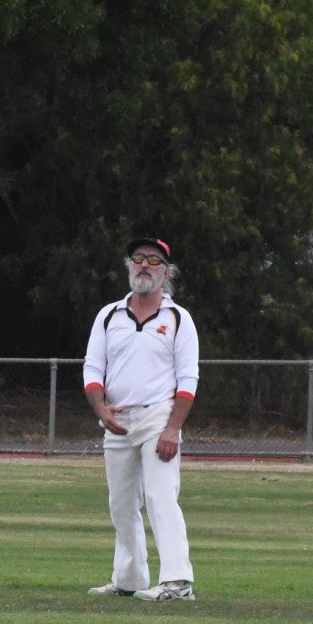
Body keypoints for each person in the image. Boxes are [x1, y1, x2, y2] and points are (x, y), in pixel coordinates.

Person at [81, 238, 201, 601]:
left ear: (166, 272)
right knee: (121, 503)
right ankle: (129, 579)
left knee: (161, 495)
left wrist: (172, 429)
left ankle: (178, 582)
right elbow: (92, 369)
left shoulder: (177, 317)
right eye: (138, 259)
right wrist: (101, 410)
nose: (144, 265)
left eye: (153, 260)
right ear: (129, 266)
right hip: (117, 420)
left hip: (158, 418)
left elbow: (188, 379)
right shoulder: (109, 315)